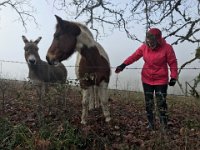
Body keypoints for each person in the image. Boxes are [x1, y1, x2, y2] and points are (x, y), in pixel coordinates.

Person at [115, 28, 178, 130]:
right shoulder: (144, 47)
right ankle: (151, 124)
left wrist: (174, 77)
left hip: (161, 80)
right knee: (149, 103)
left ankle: (164, 125)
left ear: (157, 40)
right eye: (148, 40)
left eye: (151, 41)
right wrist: (123, 65)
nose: (149, 43)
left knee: (161, 102)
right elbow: (134, 56)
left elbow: (173, 62)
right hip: (147, 79)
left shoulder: (167, 48)